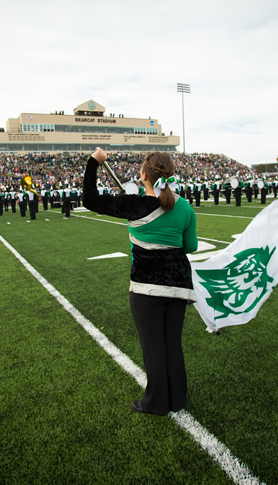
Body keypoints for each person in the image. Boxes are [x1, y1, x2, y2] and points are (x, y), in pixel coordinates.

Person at [83, 147, 198, 416]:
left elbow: (90, 199)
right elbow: (190, 246)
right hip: (178, 285)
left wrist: (94, 163)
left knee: (153, 345)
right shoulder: (184, 206)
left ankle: (156, 402)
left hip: (146, 286)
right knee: (172, 343)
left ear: (143, 174)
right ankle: (178, 398)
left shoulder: (133, 205)